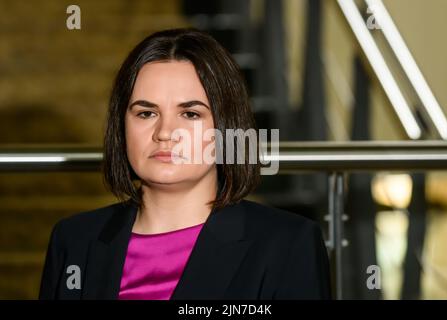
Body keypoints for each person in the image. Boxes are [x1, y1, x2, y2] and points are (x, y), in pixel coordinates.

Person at [38, 28, 331, 300]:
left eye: (190, 114)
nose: (165, 132)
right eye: (145, 113)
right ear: (121, 126)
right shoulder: (74, 239)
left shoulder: (287, 244)